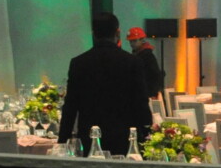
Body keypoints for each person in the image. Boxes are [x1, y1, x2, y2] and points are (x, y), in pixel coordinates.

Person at [59, 11, 152, 157]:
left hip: (90, 137)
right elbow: (141, 102)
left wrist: (62, 141)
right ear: (117, 33)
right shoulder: (133, 62)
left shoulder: (79, 63)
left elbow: (70, 105)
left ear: (94, 34)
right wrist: (146, 133)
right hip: (124, 138)